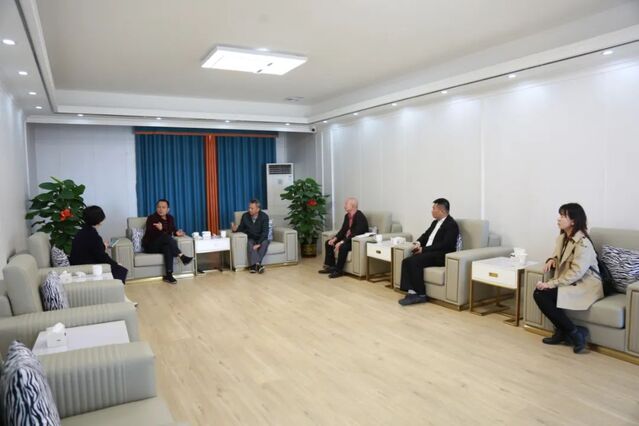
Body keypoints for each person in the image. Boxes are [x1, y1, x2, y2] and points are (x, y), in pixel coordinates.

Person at [533, 203, 603, 354]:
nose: (559, 219)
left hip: (585, 285)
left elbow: (576, 272)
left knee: (542, 294)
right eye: (560, 215)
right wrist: (551, 259)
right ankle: (563, 331)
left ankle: (575, 333)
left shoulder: (583, 243)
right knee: (539, 293)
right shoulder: (562, 238)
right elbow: (559, 255)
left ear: (573, 221)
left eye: (563, 216)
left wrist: (551, 284)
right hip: (571, 282)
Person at [398, 198, 459, 306]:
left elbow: (445, 244)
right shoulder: (435, 222)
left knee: (414, 262)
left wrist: (424, 249)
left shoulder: (451, 224)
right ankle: (411, 292)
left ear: (441, 210)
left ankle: (421, 295)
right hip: (430, 252)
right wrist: (417, 243)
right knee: (406, 261)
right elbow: (425, 235)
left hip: (441, 255)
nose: (432, 211)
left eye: (434, 208)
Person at [70, 205, 129, 283]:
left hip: (77, 262)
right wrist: (116, 264)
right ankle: (116, 288)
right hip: (86, 266)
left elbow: (92, 249)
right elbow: (102, 256)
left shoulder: (82, 231)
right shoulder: (93, 236)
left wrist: (102, 246)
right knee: (120, 270)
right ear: (98, 220)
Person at [142, 199, 192, 284]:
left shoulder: (170, 218)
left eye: (163, 207)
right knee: (166, 237)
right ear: (156, 208)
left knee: (167, 247)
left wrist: (176, 233)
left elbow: (172, 229)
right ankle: (182, 256)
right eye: (159, 207)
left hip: (163, 244)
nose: (160, 209)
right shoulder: (152, 218)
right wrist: (161, 230)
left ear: (168, 209)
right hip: (151, 245)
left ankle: (169, 275)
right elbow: (151, 234)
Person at [318, 197, 368, 279]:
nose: (344, 206)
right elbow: (343, 230)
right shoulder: (347, 216)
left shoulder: (360, 216)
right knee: (329, 243)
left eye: (346, 204)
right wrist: (335, 238)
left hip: (355, 240)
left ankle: (339, 270)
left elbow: (356, 233)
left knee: (343, 247)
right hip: (347, 239)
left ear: (352, 206)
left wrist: (342, 242)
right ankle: (331, 267)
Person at [232, 199, 270, 273]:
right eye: (249, 208)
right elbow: (241, 228)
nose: (249, 210)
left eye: (252, 208)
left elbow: (265, 232)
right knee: (249, 244)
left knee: (264, 243)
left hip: (262, 238)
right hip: (251, 238)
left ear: (258, 209)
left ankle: (253, 266)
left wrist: (259, 243)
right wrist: (235, 229)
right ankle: (258, 265)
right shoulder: (245, 216)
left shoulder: (264, 216)